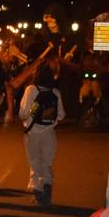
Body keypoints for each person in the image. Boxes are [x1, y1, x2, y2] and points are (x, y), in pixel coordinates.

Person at [20, 64, 65, 206]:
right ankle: (47, 192)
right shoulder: (55, 92)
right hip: (49, 134)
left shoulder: (31, 90)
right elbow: (61, 115)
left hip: (32, 133)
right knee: (47, 163)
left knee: (34, 163)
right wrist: (50, 122)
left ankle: (38, 195)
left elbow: (23, 113)